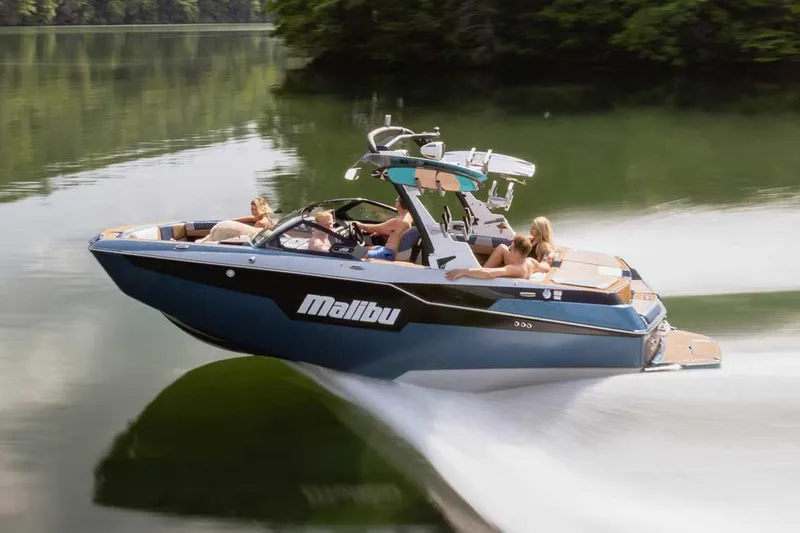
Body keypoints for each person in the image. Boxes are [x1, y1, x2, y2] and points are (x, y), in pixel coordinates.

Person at [445, 235, 535, 280]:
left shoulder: (514, 268)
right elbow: (546, 266)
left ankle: (480, 269)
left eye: (510, 248)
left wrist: (463, 271)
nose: (508, 249)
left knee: (483, 271)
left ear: (517, 254)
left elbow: (488, 273)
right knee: (501, 247)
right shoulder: (531, 262)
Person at [355, 197, 413, 261]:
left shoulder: (398, 221)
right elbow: (398, 232)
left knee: (358, 254)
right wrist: (380, 232)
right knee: (365, 249)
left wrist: (359, 225)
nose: (395, 200)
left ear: (399, 204)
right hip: (386, 249)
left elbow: (370, 228)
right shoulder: (409, 216)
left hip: (388, 253)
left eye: (397, 200)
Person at [195, 197, 274, 244]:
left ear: (262, 209)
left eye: (255, 209)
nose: (253, 212)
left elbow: (251, 237)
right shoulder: (265, 218)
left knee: (207, 240)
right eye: (252, 209)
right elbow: (247, 218)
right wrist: (228, 221)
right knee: (208, 237)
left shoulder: (260, 223)